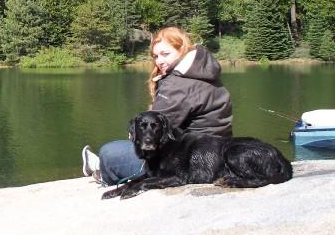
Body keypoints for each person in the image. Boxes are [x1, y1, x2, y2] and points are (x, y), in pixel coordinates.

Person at [82, 26, 233, 185]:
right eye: (155, 56)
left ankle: (101, 170)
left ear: (182, 49)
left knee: (109, 152)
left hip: (190, 161)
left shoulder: (177, 85)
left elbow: (148, 133)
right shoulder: (205, 73)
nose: (159, 61)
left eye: (165, 54)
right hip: (218, 151)